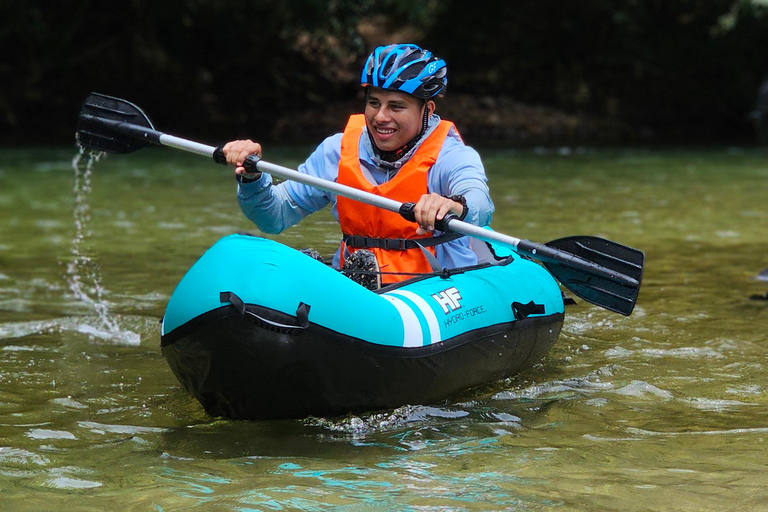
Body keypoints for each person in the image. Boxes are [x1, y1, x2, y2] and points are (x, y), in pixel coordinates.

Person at [222, 43, 494, 289]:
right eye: (374, 103)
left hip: (434, 286)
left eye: (396, 106)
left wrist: (454, 205)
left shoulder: (452, 155)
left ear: (428, 110)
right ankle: (335, 284)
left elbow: (479, 203)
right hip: (356, 289)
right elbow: (275, 216)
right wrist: (253, 177)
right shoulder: (336, 150)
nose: (380, 117)